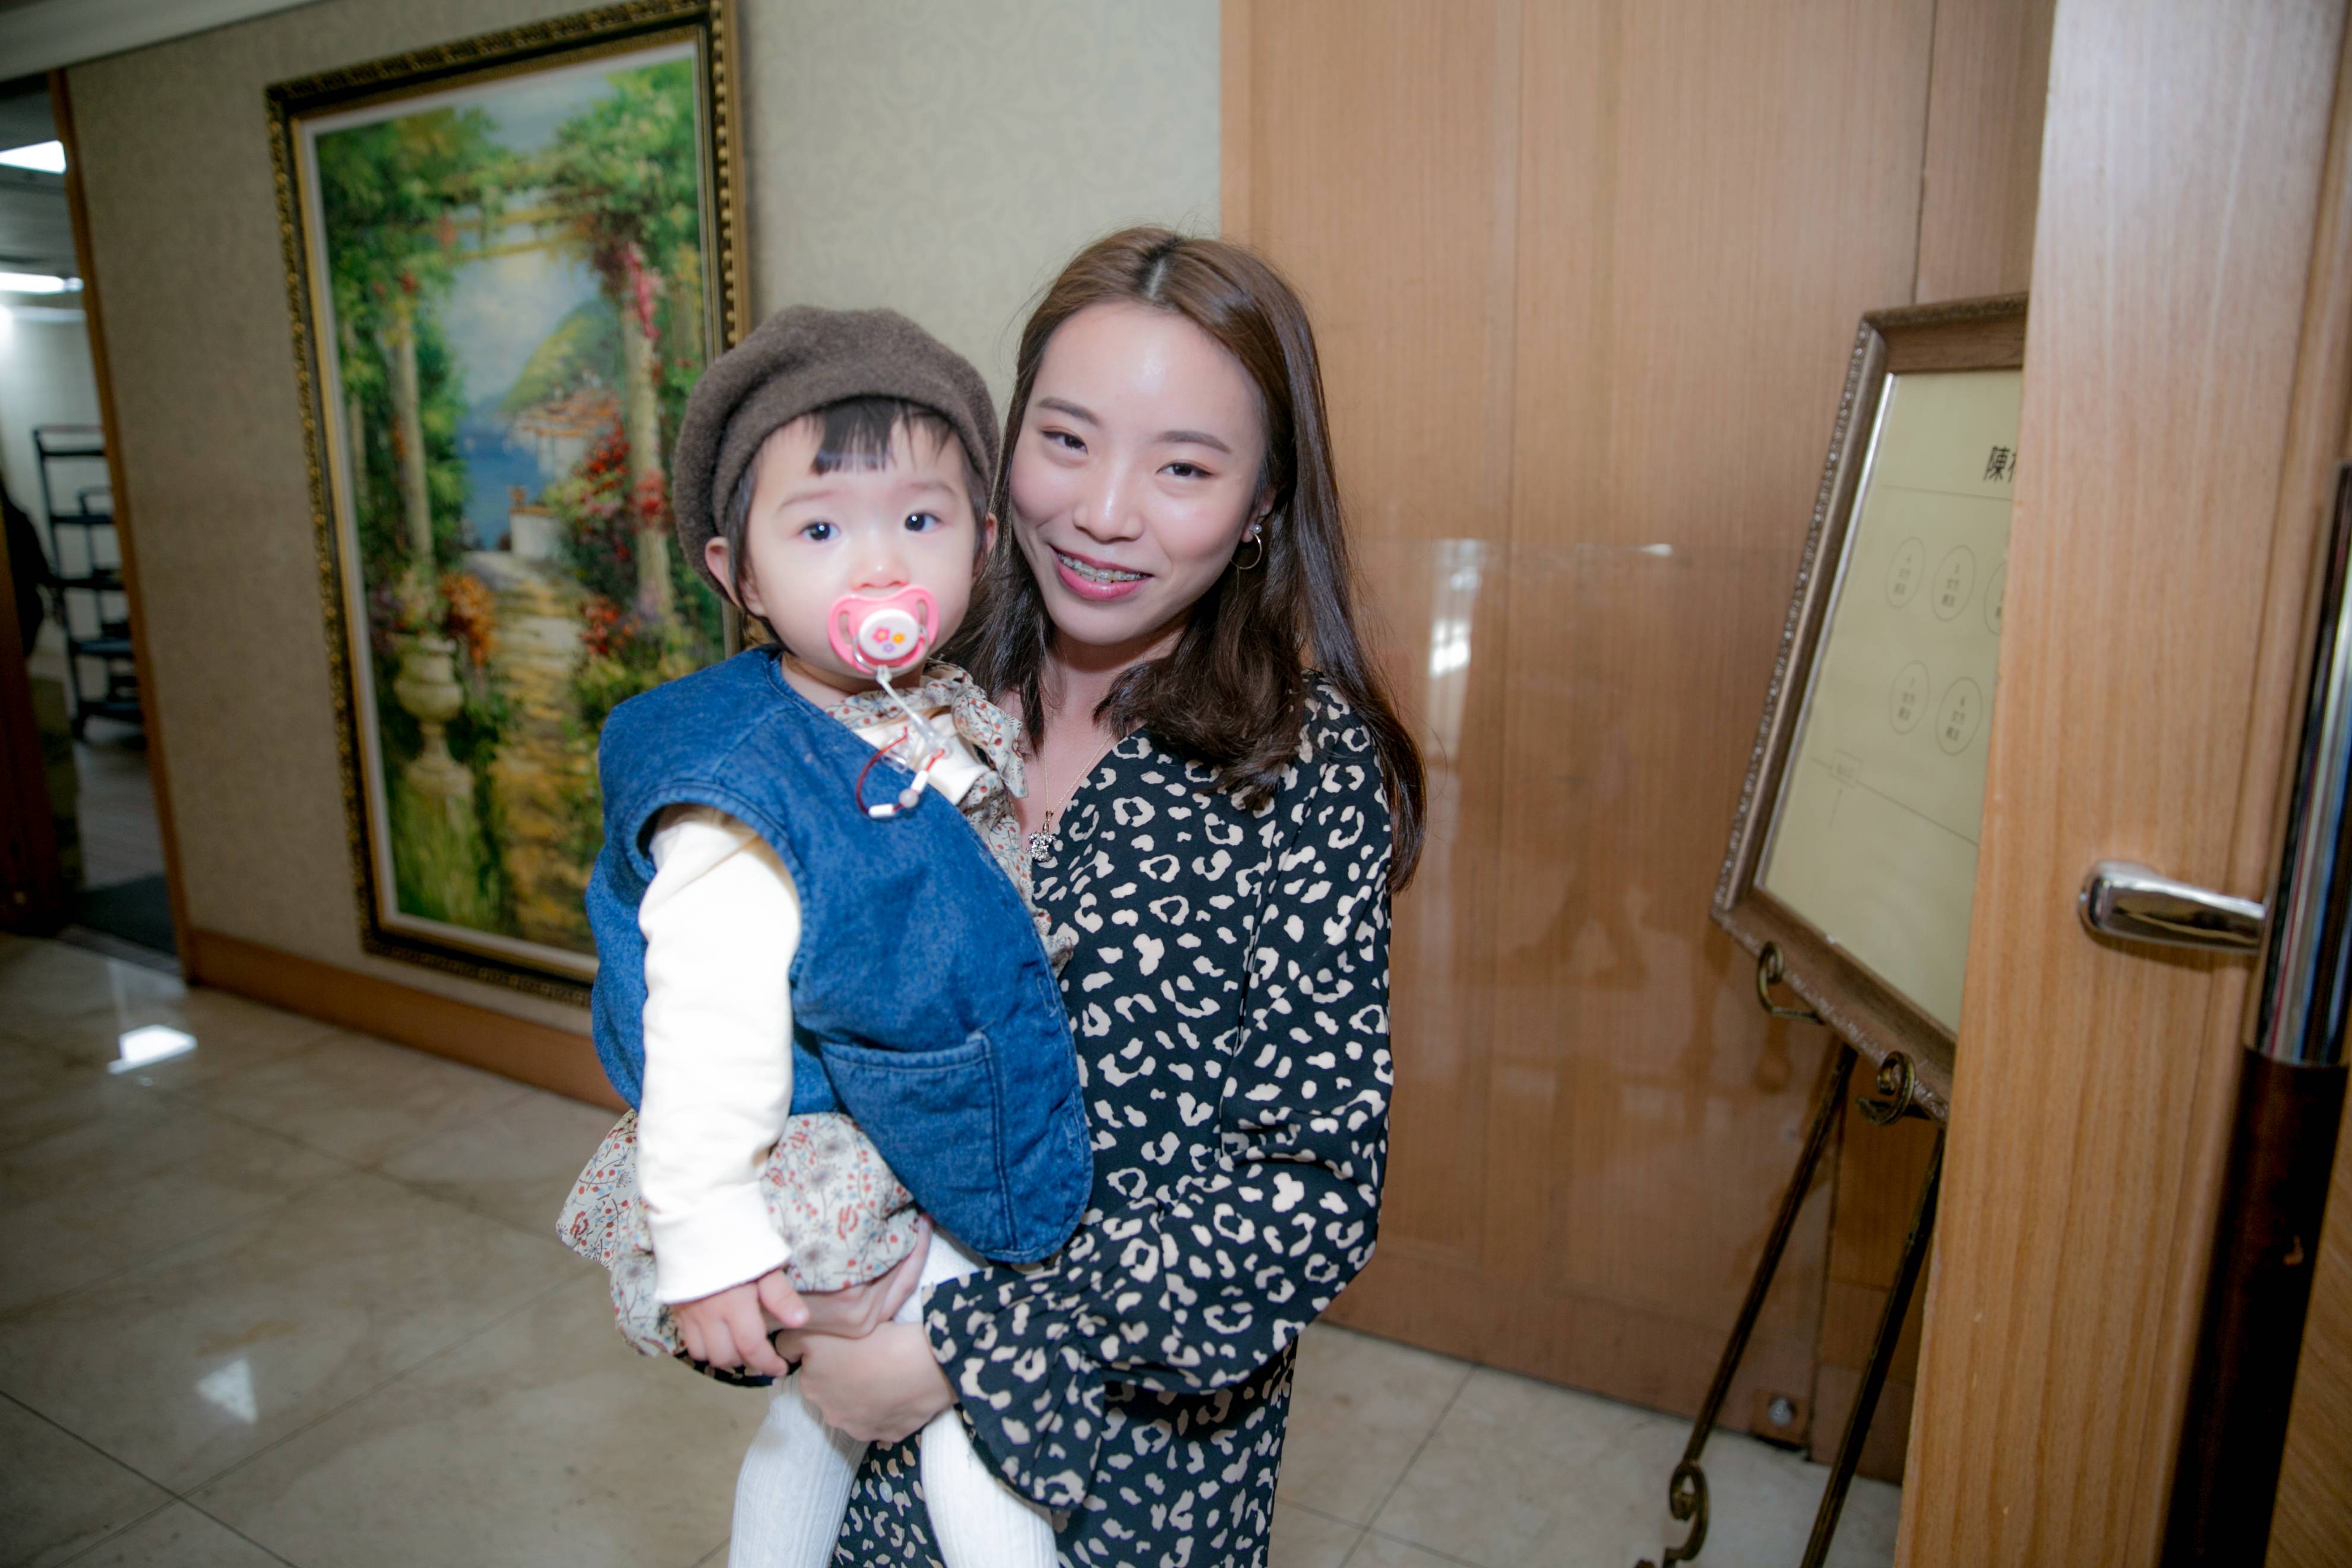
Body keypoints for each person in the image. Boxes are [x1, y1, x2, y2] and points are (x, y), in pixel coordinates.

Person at [796, 229, 1426, 1567]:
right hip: (852, 1412)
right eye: (1067, 441)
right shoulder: (901, 692)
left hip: (1127, 1466)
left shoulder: (1299, 765)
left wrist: (960, 1352)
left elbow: (1307, 1192)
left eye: (1184, 468)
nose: (1103, 512)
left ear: (1263, 502)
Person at [558, 306, 1091, 1568]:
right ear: (736, 574)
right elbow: (705, 1026)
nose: (879, 566)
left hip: (901, 1112)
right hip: (825, 1161)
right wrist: (708, 1243)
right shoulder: (743, 793)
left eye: (921, 520)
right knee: (975, 1418)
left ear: (985, 542)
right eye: (818, 530)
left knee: (809, 1436)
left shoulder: (922, 707)